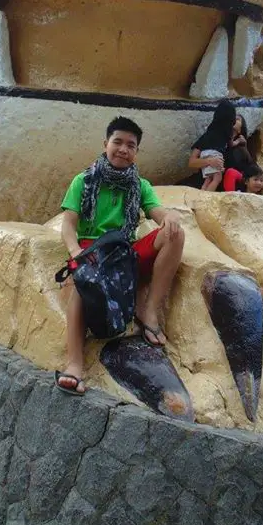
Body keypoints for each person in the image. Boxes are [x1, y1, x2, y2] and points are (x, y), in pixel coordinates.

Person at [56, 116, 185, 394]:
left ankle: (149, 313)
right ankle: (74, 364)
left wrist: (170, 215)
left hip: (124, 252)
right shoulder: (84, 180)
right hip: (94, 250)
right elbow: (68, 224)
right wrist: (75, 251)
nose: (123, 149)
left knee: (176, 234)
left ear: (136, 152)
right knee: (84, 282)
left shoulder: (140, 185)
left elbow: (156, 212)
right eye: (118, 142)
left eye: (131, 145)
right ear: (106, 144)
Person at [187, 100, 253, 191]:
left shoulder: (240, 147)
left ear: (241, 128)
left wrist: (244, 147)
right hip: (204, 180)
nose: (234, 119)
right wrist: (209, 161)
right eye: (234, 117)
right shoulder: (209, 137)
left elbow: (250, 169)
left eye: (238, 119)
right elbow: (192, 162)